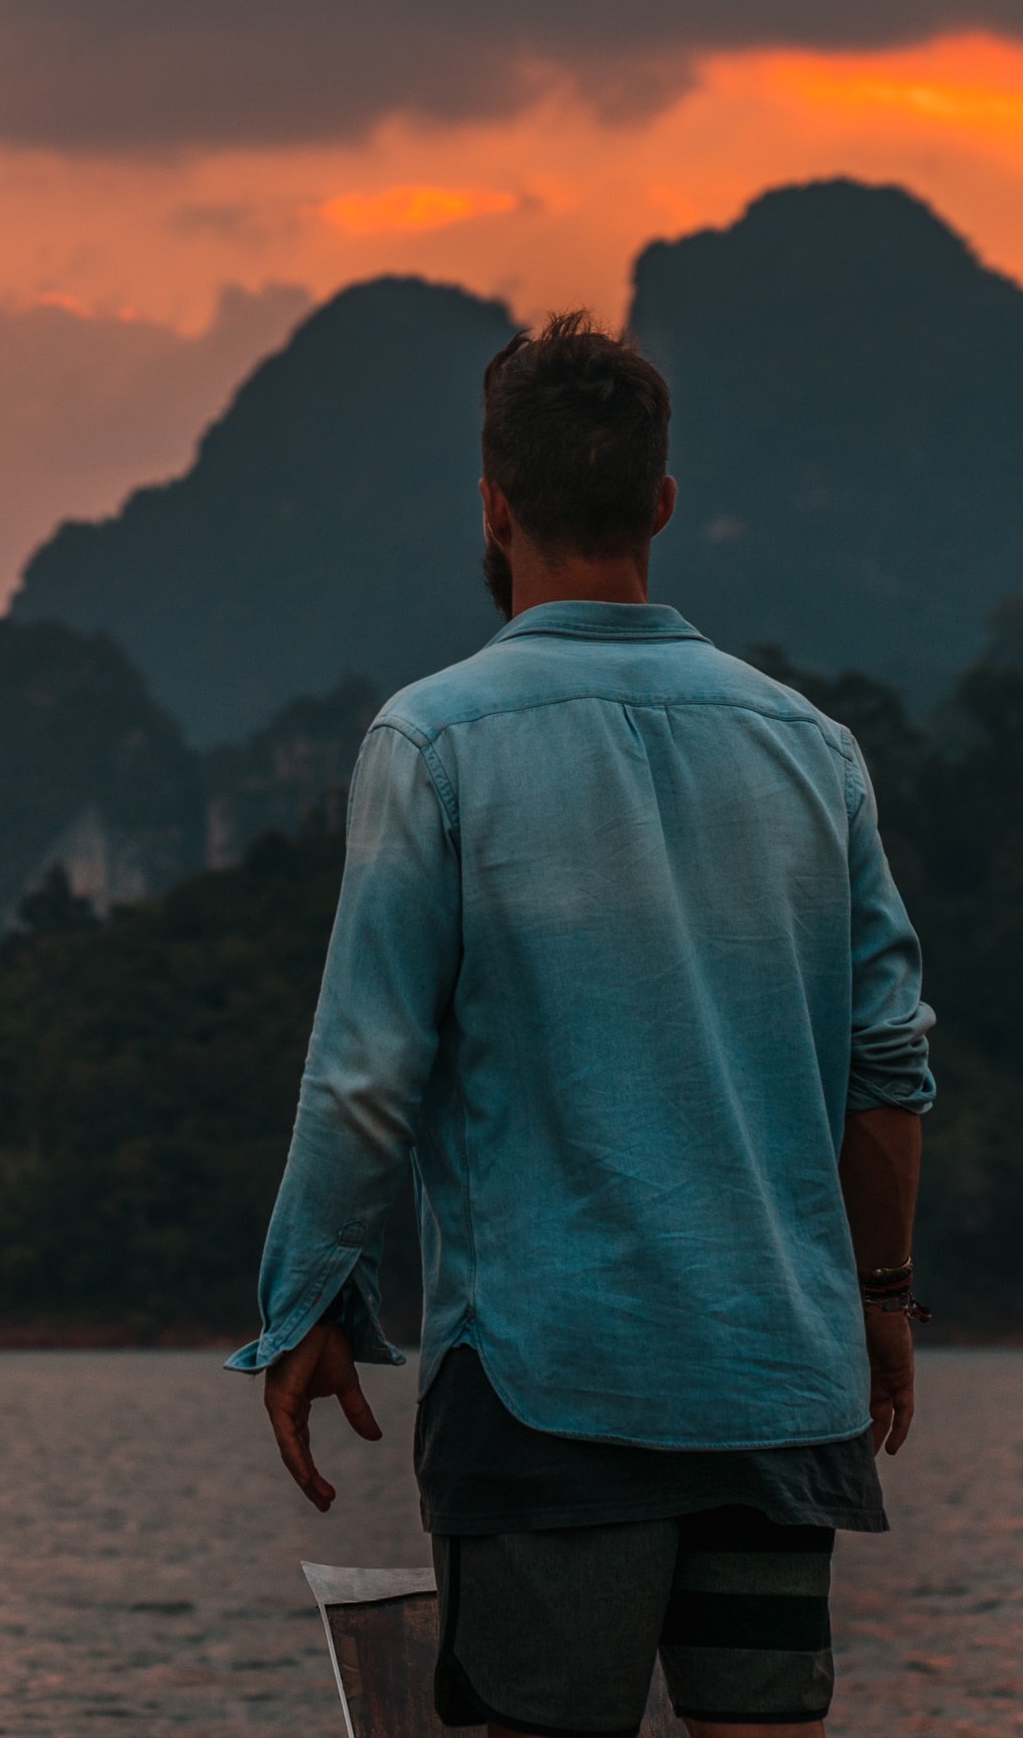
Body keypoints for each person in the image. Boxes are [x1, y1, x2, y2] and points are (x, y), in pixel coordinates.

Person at [231, 312, 936, 1738]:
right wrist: (878, 1299)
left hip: (547, 1399)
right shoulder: (814, 751)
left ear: (494, 508)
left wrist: (305, 1301)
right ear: (661, 504)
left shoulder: (433, 743)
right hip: (778, 1394)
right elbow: (887, 1067)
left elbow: (364, 1078)